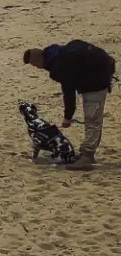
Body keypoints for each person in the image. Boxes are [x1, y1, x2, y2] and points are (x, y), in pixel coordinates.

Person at [22, 40, 115, 169]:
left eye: (34, 64)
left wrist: (68, 117)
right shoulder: (57, 54)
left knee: (92, 119)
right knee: (92, 119)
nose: (36, 67)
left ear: (39, 60)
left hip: (97, 83)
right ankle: (87, 155)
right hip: (94, 78)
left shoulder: (60, 64)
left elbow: (68, 91)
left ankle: (87, 156)